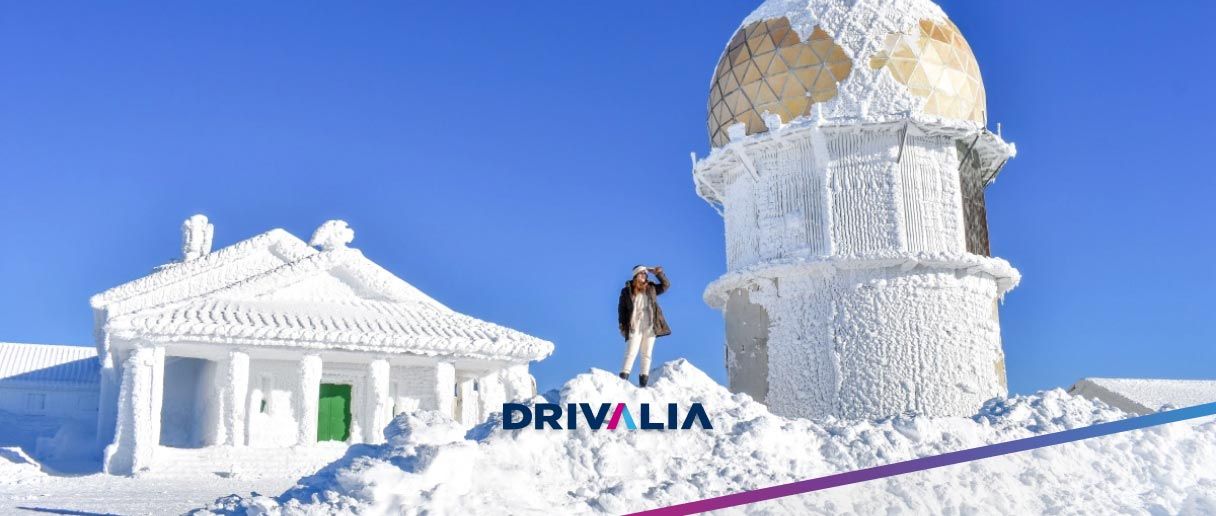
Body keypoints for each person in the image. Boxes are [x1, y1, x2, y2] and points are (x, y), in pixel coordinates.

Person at [617, 265, 671, 387]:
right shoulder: (627, 291)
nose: (644, 276)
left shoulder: (651, 287)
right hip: (634, 325)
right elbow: (621, 309)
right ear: (635, 276)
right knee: (631, 352)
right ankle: (622, 381)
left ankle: (643, 384)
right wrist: (622, 325)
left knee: (647, 354)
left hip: (650, 325)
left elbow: (666, 285)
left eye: (645, 274)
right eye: (641, 274)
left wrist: (658, 273)